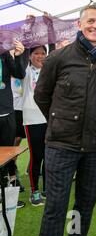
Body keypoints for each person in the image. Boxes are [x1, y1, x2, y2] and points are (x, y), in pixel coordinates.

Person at [34, 3, 96, 236]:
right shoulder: (58, 58)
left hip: (95, 146)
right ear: (79, 25)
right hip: (61, 145)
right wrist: (60, 120)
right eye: (90, 21)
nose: (95, 26)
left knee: (84, 205)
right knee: (55, 207)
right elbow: (42, 95)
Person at [0, 40, 27, 201]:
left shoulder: (3, 54)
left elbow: (19, 74)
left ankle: (5, 190)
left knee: (7, 153)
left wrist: (18, 56)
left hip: (7, 114)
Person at [22, 45, 49, 207]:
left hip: (49, 119)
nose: (40, 56)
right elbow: (20, 61)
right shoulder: (25, 71)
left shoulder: (49, 70)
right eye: (36, 53)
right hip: (32, 119)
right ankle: (34, 191)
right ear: (30, 56)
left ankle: (47, 188)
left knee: (50, 156)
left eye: (43, 53)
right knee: (36, 156)